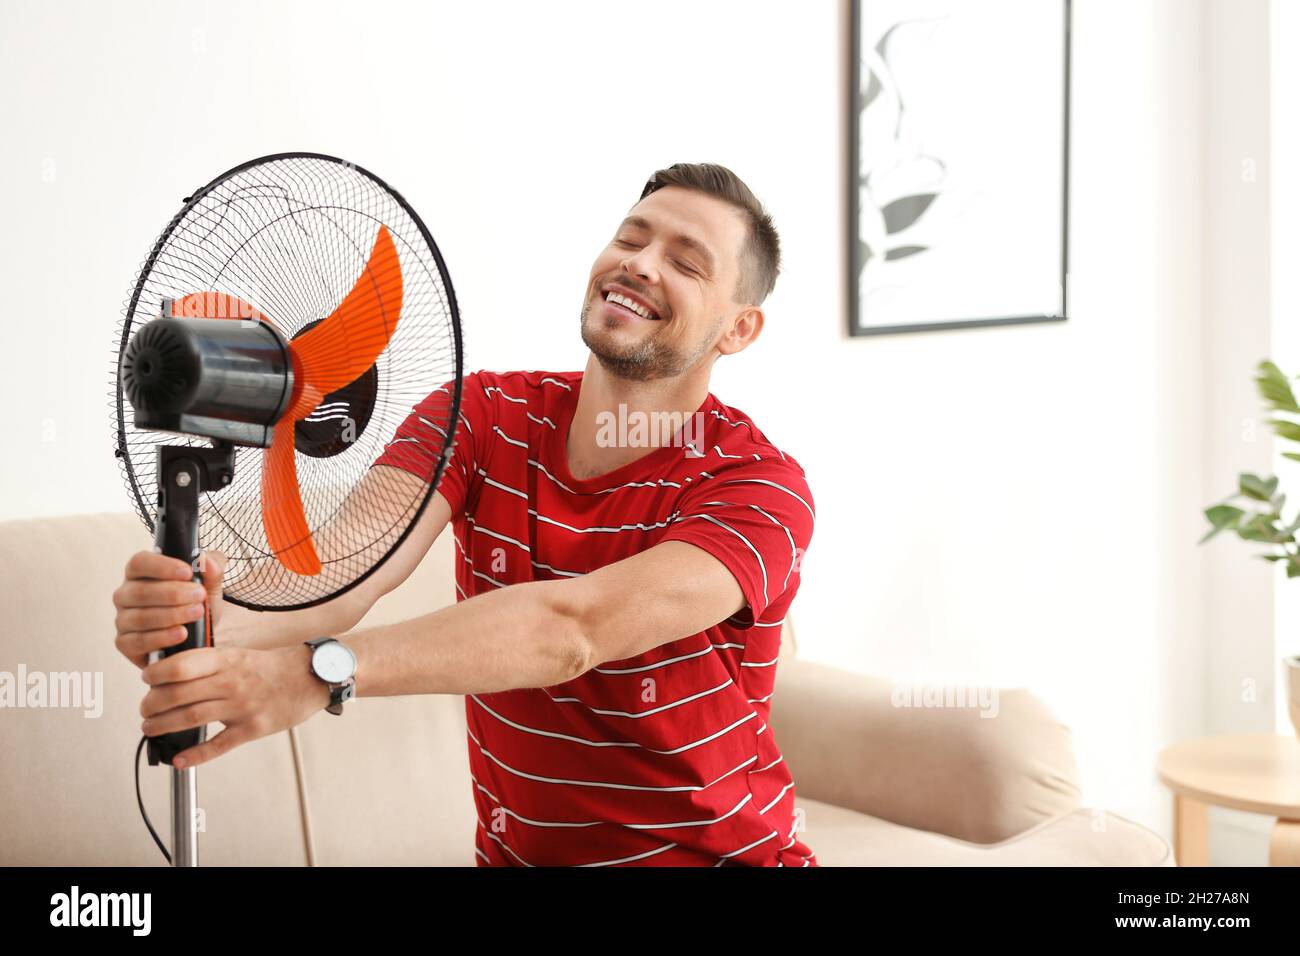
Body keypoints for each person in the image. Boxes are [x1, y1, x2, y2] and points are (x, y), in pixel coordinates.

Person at [112, 162, 818, 867]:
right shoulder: (484, 416)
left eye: (685, 262)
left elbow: (573, 628)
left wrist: (319, 672)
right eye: (631, 238)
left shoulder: (759, 488)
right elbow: (350, 560)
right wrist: (204, 624)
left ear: (739, 329)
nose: (639, 264)